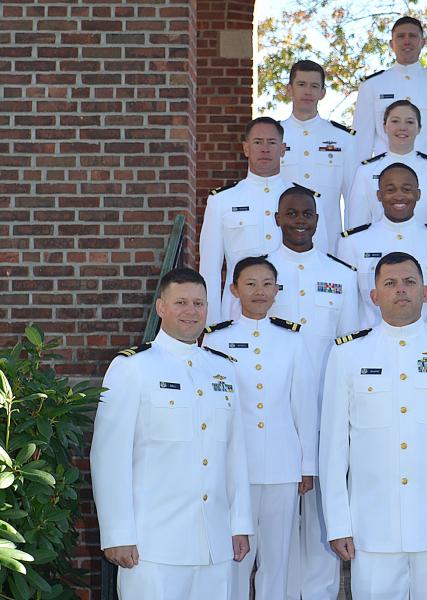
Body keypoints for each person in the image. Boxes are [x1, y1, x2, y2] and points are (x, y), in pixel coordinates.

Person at [319, 251, 427, 600]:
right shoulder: (348, 354)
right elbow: (334, 448)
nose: (401, 290)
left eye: (410, 282)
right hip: (373, 527)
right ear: (374, 296)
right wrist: (339, 523)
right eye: (390, 283)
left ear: (426, 292)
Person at [90, 267, 253, 600]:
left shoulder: (223, 369)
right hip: (153, 546)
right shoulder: (132, 367)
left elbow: (235, 455)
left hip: (213, 543)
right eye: (180, 302)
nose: (191, 311)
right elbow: (109, 456)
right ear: (161, 307)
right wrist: (118, 533)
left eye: (199, 303)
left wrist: (240, 524)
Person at [203, 256, 317, 600]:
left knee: (278, 558)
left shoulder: (293, 340)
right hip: (235, 465)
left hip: (283, 464)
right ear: (234, 289)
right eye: (250, 284)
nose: (260, 292)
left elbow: (305, 406)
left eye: (268, 284)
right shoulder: (215, 340)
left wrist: (307, 465)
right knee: (237, 554)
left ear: (277, 290)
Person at [267, 186, 359, 600]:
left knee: (324, 523)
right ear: (277, 219)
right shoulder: (260, 272)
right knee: (279, 529)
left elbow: (350, 345)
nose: (300, 221)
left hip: (327, 411)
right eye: (291, 213)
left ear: (319, 221)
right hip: (274, 415)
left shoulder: (342, 275)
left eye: (307, 214)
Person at [199, 116, 328, 324]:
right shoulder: (222, 200)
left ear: (283, 149)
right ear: (246, 148)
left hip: (292, 307)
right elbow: (210, 270)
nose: (265, 149)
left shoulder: (306, 199)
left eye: (272, 142)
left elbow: (319, 259)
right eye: (258, 142)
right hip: (237, 311)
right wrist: (212, 324)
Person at [337, 163, 427, 328]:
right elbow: (347, 306)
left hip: (426, 346)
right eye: (390, 190)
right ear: (379, 195)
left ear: (418, 194)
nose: (399, 196)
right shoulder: (353, 242)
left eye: (407, 189)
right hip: (372, 345)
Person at [353, 16, 427, 195]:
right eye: (401, 36)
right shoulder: (372, 85)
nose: (407, 41)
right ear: (391, 43)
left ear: (422, 42)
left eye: (412, 36)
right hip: (384, 182)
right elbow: (361, 143)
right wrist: (358, 190)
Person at [281, 60, 358, 251]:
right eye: (301, 85)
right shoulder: (274, 135)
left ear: (322, 93)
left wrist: (350, 245)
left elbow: (353, 199)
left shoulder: (343, 139)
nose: (308, 91)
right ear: (289, 89)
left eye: (314, 86)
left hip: (328, 244)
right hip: (280, 243)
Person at [346, 100, 427, 232]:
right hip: (379, 249)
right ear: (384, 126)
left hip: (425, 249)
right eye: (395, 121)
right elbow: (357, 228)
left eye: (409, 122)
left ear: (419, 128)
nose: (402, 127)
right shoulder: (366, 172)